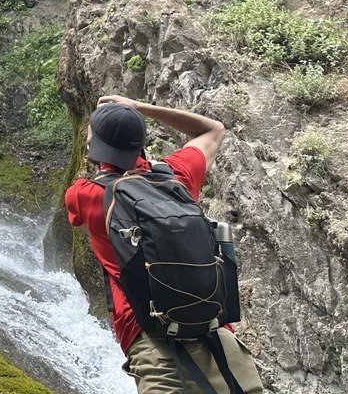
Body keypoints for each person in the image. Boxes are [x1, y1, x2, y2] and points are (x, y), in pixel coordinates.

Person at [65, 95, 263, 394]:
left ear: (95, 145)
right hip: (217, 338)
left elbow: (78, 216)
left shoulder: (85, 193)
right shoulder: (177, 176)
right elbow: (213, 130)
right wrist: (140, 108)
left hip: (152, 342)